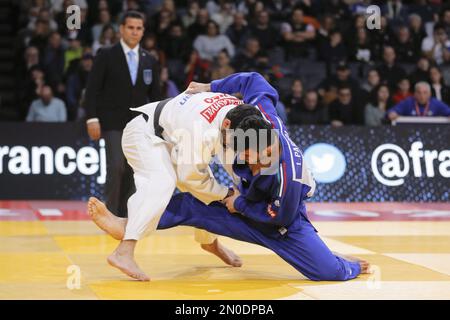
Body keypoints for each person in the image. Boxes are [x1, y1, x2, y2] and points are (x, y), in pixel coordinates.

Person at [88, 72, 371, 281]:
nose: (246, 159)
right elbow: (253, 81)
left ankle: (210, 242)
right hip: (148, 132)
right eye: (244, 152)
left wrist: (239, 203)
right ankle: (127, 239)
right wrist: (209, 86)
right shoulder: (240, 122)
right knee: (167, 183)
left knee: (327, 270)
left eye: (254, 156)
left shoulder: (281, 167)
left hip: (281, 209)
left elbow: (281, 217)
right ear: (230, 128)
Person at [88, 83, 264, 281]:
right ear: (226, 126)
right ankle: (125, 248)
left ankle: (210, 242)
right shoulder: (201, 130)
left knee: (212, 189)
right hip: (145, 134)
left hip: (173, 135)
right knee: (163, 181)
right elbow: (191, 179)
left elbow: (234, 159)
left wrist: (245, 192)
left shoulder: (247, 117)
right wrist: (230, 195)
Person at [83, 11, 162, 218]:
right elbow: (92, 90)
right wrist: (92, 118)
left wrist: (158, 126)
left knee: (132, 170)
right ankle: (108, 214)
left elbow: (156, 97)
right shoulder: (106, 54)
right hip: (111, 122)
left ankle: (126, 216)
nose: (134, 32)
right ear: (121, 29)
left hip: (139, 125)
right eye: (130, 27)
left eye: (138, 28)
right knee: (116, 166)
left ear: (143, 31)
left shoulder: (149, 60)